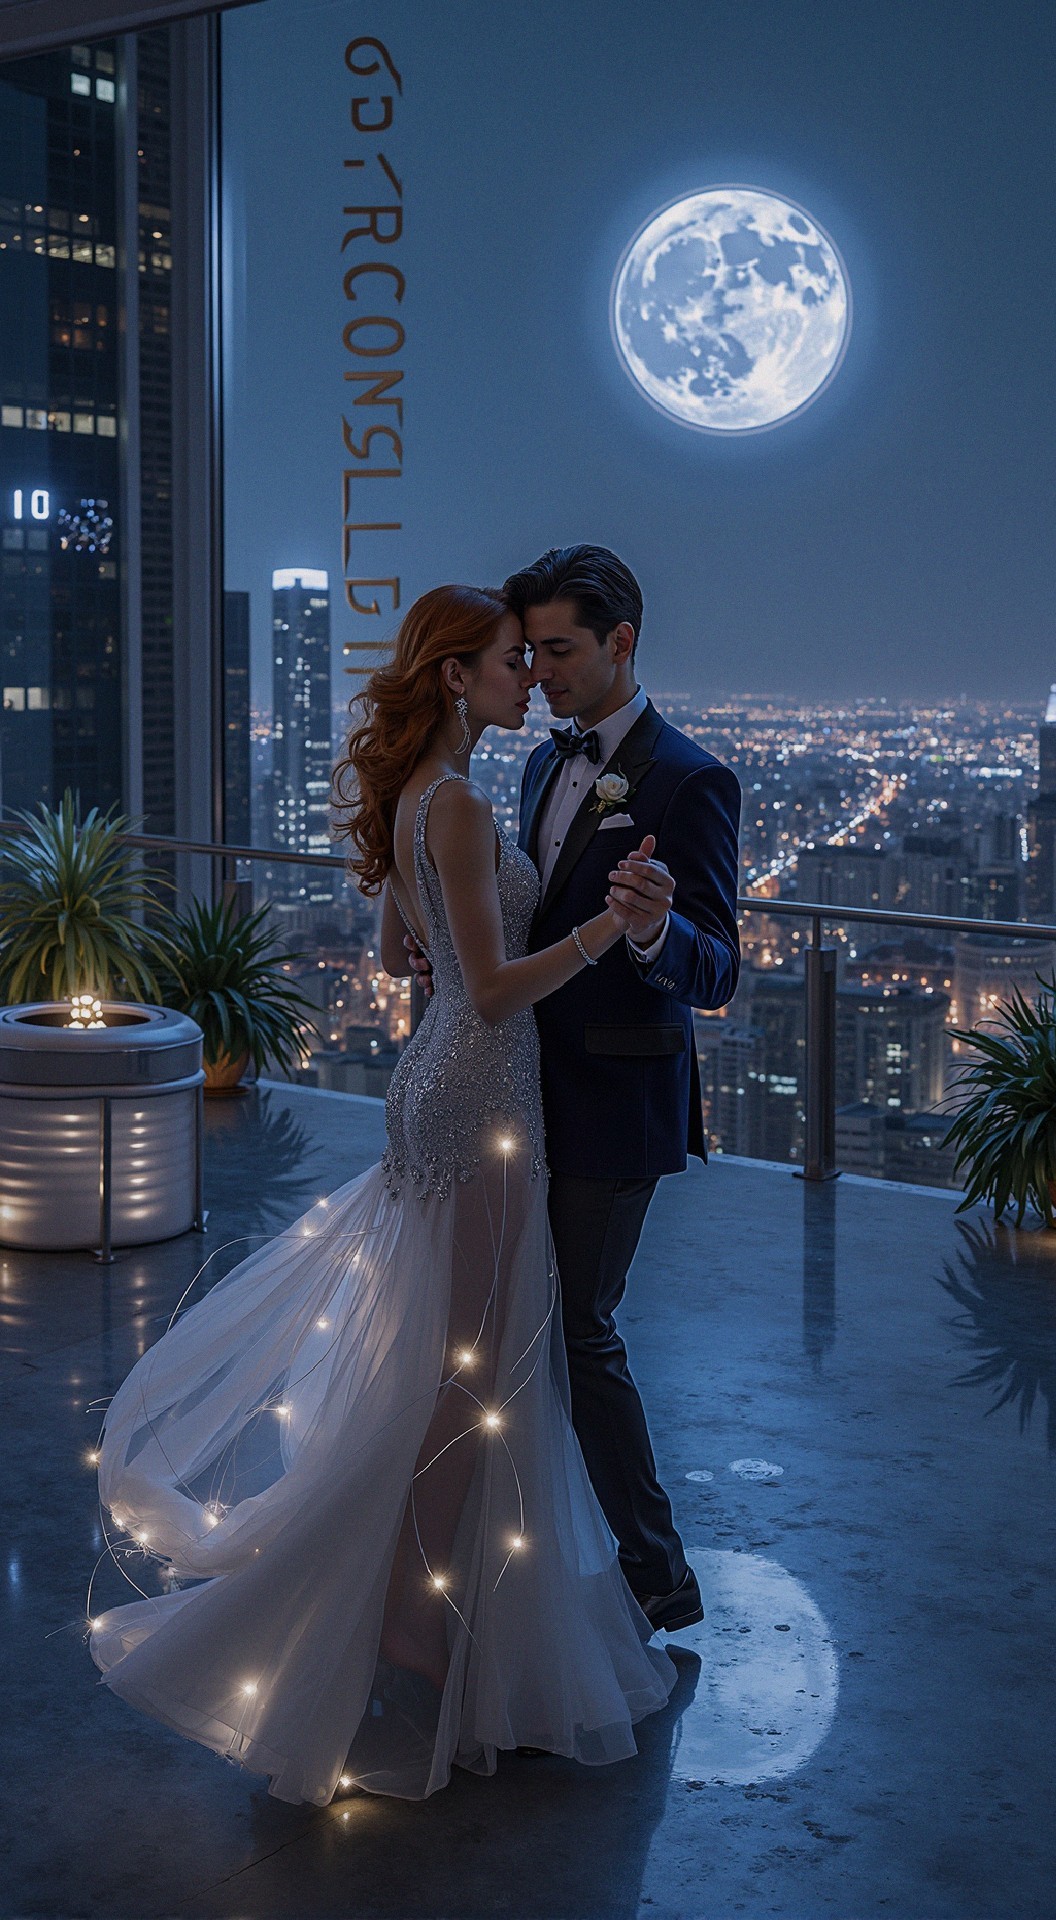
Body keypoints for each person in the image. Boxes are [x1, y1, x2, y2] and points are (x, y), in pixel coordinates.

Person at [88, 584, 675, 1808]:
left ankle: (420, 1603)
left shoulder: (417, 794)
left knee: (439, 1361)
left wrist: (434, 941)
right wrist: (603, 931)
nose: (527, 679)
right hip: (481, 1094)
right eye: (509, 661)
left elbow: (394, 951)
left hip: (437, 1084)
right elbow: (491, 991)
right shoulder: (456, 803)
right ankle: (412, 1616)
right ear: (456, 676)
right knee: (471, 1377)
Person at [411, 546, 741, 1632]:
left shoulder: (690, 779)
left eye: (557, 650)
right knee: (511, 1333)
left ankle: (655, 1573)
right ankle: (527, 1561)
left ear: (621, 643)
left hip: (611, 1106)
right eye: (529, 654)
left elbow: (718, 969)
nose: (540, 672)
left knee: (578, 1334)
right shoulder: (537, 767)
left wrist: (649, 931)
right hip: (514, 1094)